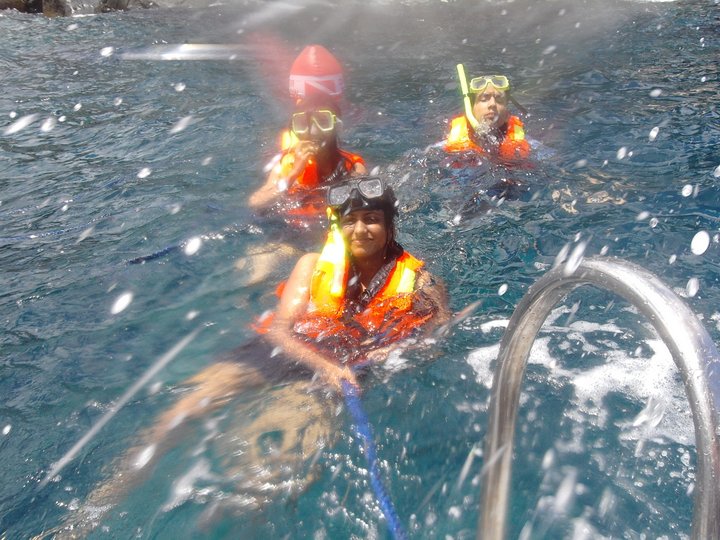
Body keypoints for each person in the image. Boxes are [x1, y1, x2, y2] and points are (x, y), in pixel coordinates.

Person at [53, 176, 449, 537]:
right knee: (179, 414)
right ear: (337, 226)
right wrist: (323, 364)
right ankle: (87, 516)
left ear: (390, 226)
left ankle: (227, 525)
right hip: (291, 353)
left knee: (279, 466)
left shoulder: (421, 281)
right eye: (350, 220)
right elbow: (280, 330)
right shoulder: (312, 266)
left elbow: (436, 337)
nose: (360, 229)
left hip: (348, 368)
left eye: (371, 219)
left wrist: (396, 351)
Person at [248, 94, 367, 226]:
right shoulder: (285, 165)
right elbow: (256, 203)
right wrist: (293, 173)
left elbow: (362, 205)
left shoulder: (352, 165)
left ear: (336, 125)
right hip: (289, 229)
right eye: (303, 124)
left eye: (322, 122)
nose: (313, 131)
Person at [444, 66, 531, 162]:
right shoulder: (448, 148)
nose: (492, 104)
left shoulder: (527, 144)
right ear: (472, 108)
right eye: (484, 99)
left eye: (499, 99)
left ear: (507, 113)